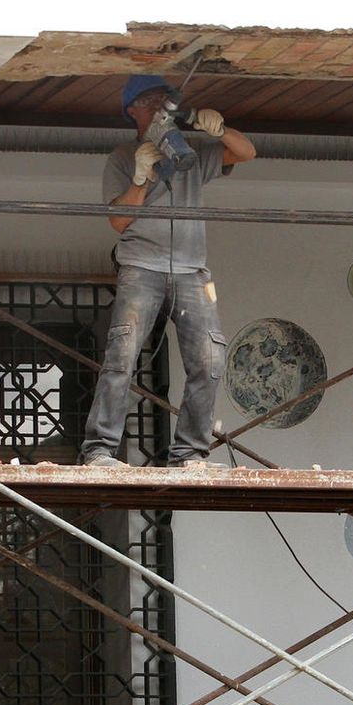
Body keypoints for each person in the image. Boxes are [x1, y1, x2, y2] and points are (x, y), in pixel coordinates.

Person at [79, 74, 257, 468]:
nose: (161, 106)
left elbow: (246, 152)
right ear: (133, 110)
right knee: (122, 355)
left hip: (192, 272)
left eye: (166, 99)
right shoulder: (123, 157)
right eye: (152, 100)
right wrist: (142, 176)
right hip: (141, 266)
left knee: (209, 360)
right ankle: (100, 450)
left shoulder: (189, 152)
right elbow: (118, 222)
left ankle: (189, 454)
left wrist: (221, 128)